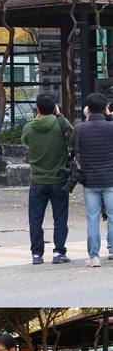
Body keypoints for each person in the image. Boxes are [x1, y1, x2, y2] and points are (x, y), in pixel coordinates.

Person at [22, 93, 73, 265]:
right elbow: (73, 136)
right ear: (54, 108)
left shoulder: (29, 127)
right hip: (59, 180)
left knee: (35, 219)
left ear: (37, 109)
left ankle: (37, 254)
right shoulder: (61, 124)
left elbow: (26, 142)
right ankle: (59, 253)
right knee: (60, 218)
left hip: (37, 180)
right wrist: (59, 116)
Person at [69, 92, 113, 267]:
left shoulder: (80, 128)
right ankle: (112, 250)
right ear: (105, 109)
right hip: (110, 180)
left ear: (88, 110)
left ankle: (94, 256)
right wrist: (109, 117)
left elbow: (73, 145)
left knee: (93, 218)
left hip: (90, 182)